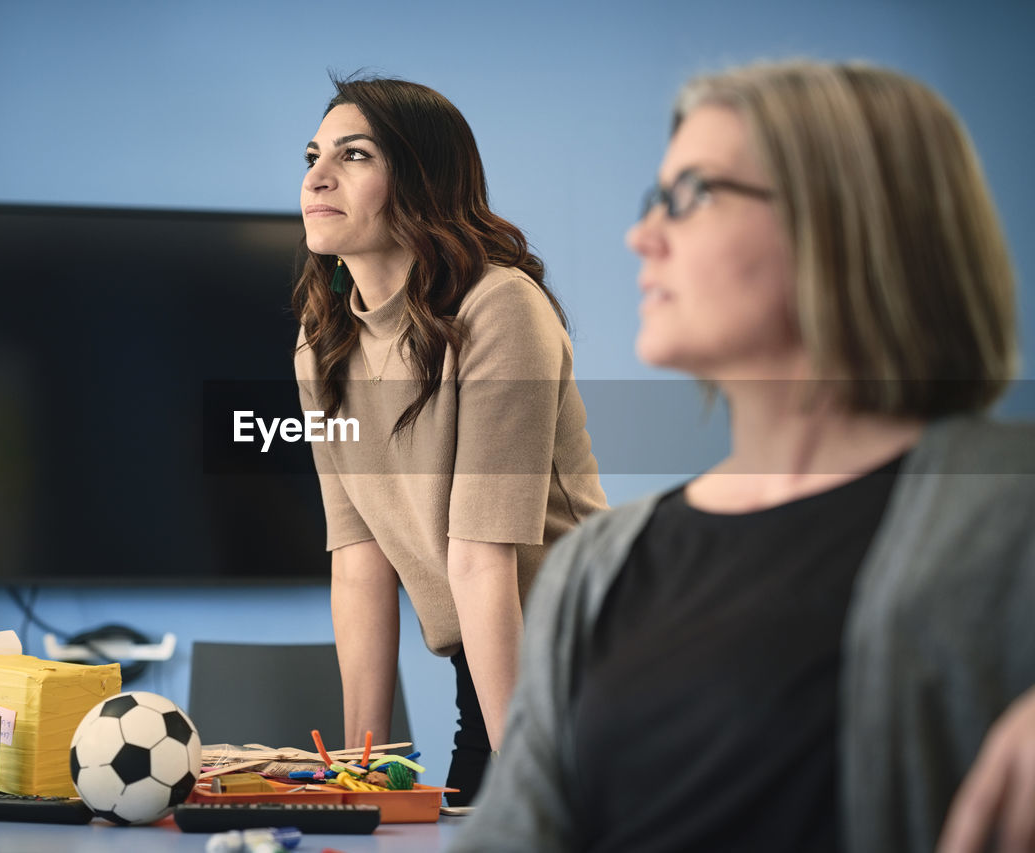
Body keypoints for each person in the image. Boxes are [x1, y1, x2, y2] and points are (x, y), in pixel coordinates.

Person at [449, 60, 1035, 852]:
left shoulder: (1009, 505)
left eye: (693, 195)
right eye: (653, 199)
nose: (642, 235)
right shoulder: (598, 566)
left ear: (845, 219)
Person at [292, 74, 607, 804]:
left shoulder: (500, 309)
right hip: (488, 657)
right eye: (312, 156)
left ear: (422, 181)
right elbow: (359, 559)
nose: (317, 176)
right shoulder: (323, 344)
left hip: (588, 655)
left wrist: (530, 793)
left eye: (356, 155)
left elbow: (480, 557)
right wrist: (357, 776)